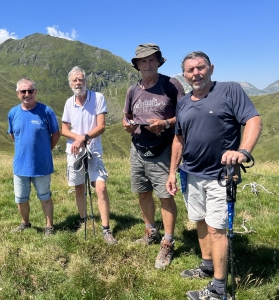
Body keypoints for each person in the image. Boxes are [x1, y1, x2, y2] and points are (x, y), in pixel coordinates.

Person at [166, 51, 262, 299]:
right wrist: (172, 171)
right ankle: (208, 266)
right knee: (199, 220)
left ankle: (219, 290)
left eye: (200, 67)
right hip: (190, 173)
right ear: (185, 75)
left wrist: (243, 151)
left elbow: (253, 119)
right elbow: (178, 139)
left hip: (221, 175)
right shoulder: (184, 102)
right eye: (190, 70)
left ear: (211, 68)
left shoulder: (230, 90)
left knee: (217, 228)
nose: (196, 73)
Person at [123, 43, 185, 269]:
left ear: (158, 61)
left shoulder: (171, 85)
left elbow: (186, 115)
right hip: (138, 147)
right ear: (137, 65)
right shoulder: (133, 90)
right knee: (143, 193)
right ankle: (150, 231)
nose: (147, 64)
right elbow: (127, 117)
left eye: (151, 60)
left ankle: (168, 242)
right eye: (143, 61)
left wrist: (165, 123)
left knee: (165, 196)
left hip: (164, 149)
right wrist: (128, 126)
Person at [61, 66, 117, 245]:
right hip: (75, 151)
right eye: (75, 80)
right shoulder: (69, 103)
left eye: (81, 79)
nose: (78, 83)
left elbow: (101, 126)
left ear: (86, 81)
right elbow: (64, 129)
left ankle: (106, 229)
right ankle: (83, 219)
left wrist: (84, 138)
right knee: (79, 188)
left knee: (100, 187)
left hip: (93, 149)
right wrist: (77, 139)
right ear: (70, 83)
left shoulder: (98, 98)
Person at [8, 77, 60, 236]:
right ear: (18, 94)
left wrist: (45, 150)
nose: (27, 94)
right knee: (21, 199)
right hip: (20, 165)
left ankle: (49, 227)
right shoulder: (13, 113)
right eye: (23, 91)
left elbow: (56, 134)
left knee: (45, 198)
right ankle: (25, 223)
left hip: (42, 165)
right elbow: (13, 135)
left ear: (35, 92)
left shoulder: (46, 111)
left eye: (30, 91)